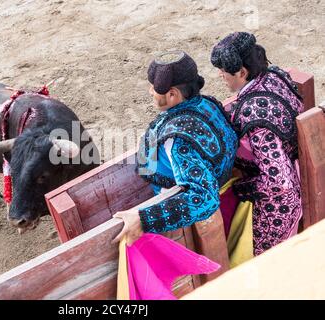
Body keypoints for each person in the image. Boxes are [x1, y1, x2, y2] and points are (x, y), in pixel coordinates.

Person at [113, 50, 238, 245]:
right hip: (225, 185)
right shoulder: (207, 103)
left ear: (172, 94)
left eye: (155, 89)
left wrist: (145, 219)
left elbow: (205, 198)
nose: (150, 92)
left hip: (191, 225)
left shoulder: (178, 141)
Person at [210, 32, 304, 261]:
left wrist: (243, 188)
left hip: (279, 208)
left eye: (224, 71)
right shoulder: (274, 74)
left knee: (260, 269)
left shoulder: (253, 115)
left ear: (242, 72)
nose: (221, 76)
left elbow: (280, 182)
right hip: (298, 165)